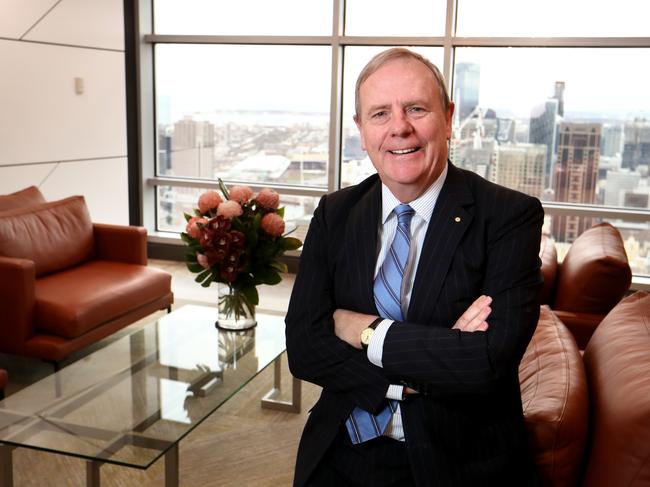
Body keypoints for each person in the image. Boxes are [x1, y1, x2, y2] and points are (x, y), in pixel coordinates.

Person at [285, 48, 543, 487]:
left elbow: (486, 362)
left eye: (416, 109)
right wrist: (424, 362)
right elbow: (303, 346)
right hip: (343, 442)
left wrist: (363, 331)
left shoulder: (508, 216)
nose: (399, 127)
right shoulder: (336, 213)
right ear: (361, 130)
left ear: (448, 117)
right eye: (380, 113)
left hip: (456, 458)